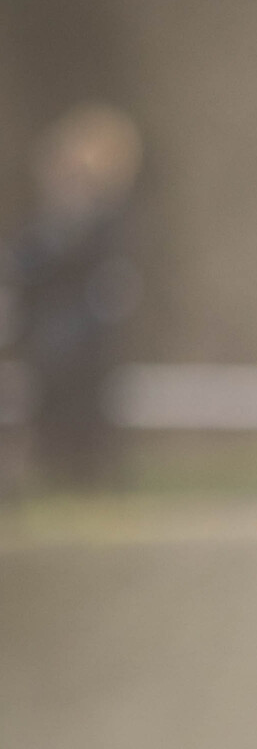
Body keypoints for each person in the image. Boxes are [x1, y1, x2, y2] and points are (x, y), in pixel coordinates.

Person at [3, 105, 144, 485]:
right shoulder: (46, 220)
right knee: (49, 413)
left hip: (79, 343)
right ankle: (56, 474)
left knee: (79, 415)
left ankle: (81, 475)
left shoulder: (102, 222)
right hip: (49, 339)